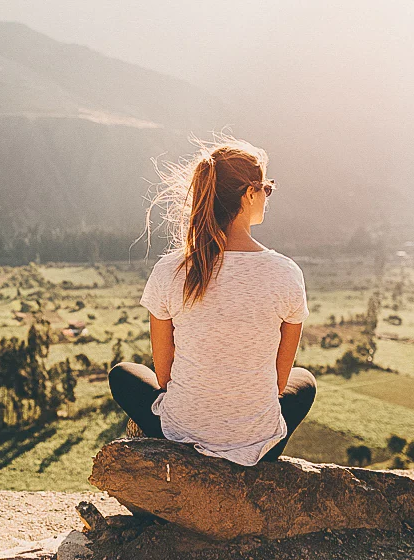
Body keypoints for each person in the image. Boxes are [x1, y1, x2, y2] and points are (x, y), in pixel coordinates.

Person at [108, 136, 316, 466]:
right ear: (249, 193)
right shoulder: (286, 273)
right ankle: (248, 453)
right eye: (267, 189)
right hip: (258, 443)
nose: (267, 196)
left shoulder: (171, 269)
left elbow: (164, 379)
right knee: (304, 381)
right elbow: (278, 383)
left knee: (123, 374)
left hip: (181, 436)